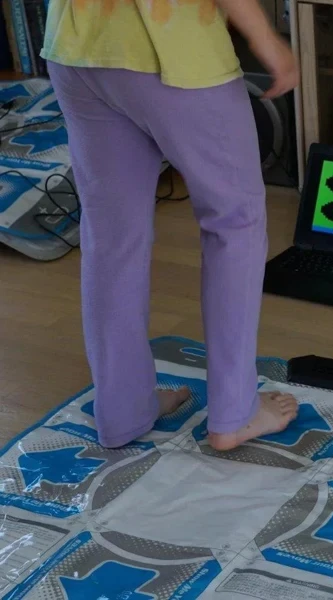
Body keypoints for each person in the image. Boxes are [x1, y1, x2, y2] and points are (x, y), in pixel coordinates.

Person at [42, 0, 300, 450]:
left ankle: (122, 410)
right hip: (174, 46)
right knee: (235, 224)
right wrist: (265, 37)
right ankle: (234, 415)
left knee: (111, 235)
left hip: (76, 44)